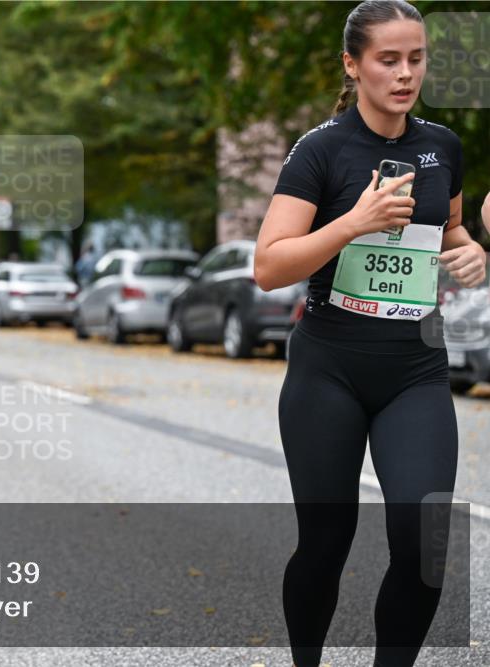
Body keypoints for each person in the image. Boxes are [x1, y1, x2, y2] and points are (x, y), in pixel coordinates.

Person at [253, 3, 487, 666]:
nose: (405, 73)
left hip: (414, 367)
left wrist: (472, 253)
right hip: (329, 365)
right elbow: (269, 265)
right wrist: (353, 222)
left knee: (426, 538)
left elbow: (452, 231)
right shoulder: (322, 150)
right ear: (353, 64)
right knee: (326, 541)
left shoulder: (442, 146)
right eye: (389, 59)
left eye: (416, 58)